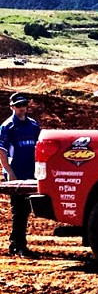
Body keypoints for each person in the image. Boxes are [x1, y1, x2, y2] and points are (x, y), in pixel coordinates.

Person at [0, 93, 41, 257]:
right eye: (18, 105)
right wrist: (10, 173)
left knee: (25, 210)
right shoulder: (7, 126)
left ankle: (15, 243)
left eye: (24, 104)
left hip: (30, 173)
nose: (22, 108)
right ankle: (19, 247)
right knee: (19, 210)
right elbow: (2, 152)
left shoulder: (33, 125)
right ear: (12, 107)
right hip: (16, 174)